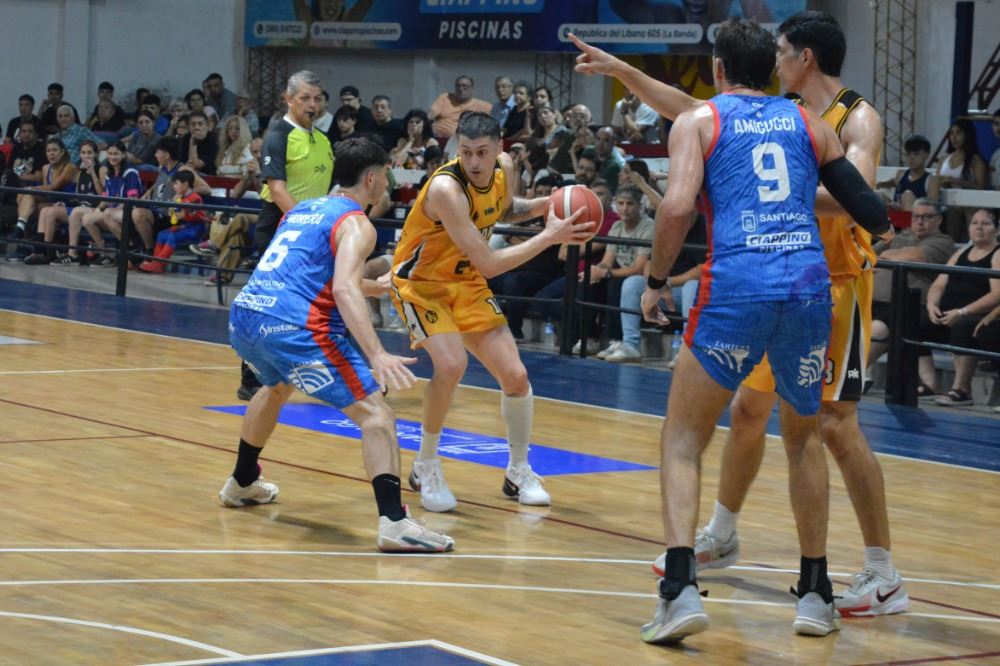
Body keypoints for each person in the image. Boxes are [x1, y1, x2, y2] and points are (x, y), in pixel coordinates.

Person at [570, 9, 910, 619]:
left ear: (805, 56)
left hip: (833, 282)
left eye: (783, 50)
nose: (776, 59)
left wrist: (753, 186)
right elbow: (697, 109)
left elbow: (853, 198)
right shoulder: (787, 112)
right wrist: (623, 71)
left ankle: (883, 571)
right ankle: (723, 533)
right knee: (749, 411)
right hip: (786, 280)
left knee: (833, 426)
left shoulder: (855, 117)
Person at [219, 137, 454, 553]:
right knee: (377, 415)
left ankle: (242, 481)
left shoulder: (304, 209)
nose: (387, 182)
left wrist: (374, 288)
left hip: (246, 316)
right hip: (295, 328)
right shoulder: (357, 223)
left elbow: (311, 276)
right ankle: (394, 523)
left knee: (275, 386)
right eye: (386, 175)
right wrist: (377, 354)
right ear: (371, 178)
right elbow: (343, 289)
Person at [389, 112, 594, 513]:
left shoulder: (505, 167)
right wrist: (549, 237)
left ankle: (518, 470)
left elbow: (505, 208)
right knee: (451, 365)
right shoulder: (446, 189)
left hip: (464, 282)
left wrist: (551, 205)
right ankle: (425, 465)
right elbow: (489, 263)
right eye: (466, 152)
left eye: (482, 152)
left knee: (516, 377)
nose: (474, 161)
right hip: (421, 284)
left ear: (500, 148)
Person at [238, 70, 334, 402]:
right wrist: (306, 227)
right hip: (282, 226)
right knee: (270, 303)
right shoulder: (278, 135)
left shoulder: (323, 140)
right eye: (305, 98)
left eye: (317, 98)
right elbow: (277, 190)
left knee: (319, 303)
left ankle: (331, 374)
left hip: (314, 229)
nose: (312, 104)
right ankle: (250, 378)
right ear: (288, 99)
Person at [868, 199, 955, 387]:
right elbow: (867, 255)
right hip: (873, 301)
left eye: (927, 217)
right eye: (916, 217)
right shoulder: (899, 237)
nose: (920, 221)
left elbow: (915, 257)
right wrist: (886, 257)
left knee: (884, 324)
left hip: (911, 306)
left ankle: (853, 374)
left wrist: (886, 256)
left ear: (939, 219)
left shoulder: (943, 241)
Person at [922, 209, 1000, 406]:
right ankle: (929, 382)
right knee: (914, 322)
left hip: (976, 314)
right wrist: (932, 305)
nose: (979, 227)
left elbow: (996, 294)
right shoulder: (961, 253)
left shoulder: (997, 254)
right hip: (950, 312)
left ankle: (962, 389)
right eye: (974, 222)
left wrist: (962, 312)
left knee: (963, 327)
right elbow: (939, 284)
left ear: (997, 230)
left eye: (985, 223)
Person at [24, 140, 102, 265]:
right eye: (83, 153)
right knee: (45, 211)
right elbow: (77, 196)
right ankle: (42, 252)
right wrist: (64, 202)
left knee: (52, 212)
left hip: (94, 209)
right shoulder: (80, 170)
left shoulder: (101, 169)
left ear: (96, 154)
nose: (86, 156)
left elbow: (102, 193)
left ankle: (51, 254)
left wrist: (92, 172)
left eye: (89, 153)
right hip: (78, 207)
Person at [136, 170, 208, 273]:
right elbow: (173, 214)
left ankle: (158, 263)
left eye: (176, 184)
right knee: (162, 234)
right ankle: (157, 264)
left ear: (185, 184)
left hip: (196, 229)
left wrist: (184, 215)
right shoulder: (179, 197)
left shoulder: (195, 198)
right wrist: (173, 206)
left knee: (172, 236)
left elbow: (196, 216)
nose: (174, 187)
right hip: (184, 227)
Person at [875, 134, 931, 211]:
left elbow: (932, 208)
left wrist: (901, 207)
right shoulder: (901, 174)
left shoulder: (930, 179)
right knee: (877, 194)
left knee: (907, 195)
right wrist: (878, 184)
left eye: (916, 154)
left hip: (915, 214)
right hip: (896, 212)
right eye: (908, 154)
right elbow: (892, 182)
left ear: (927, 155)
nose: (911, 158)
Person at [429, 75, 491, 142]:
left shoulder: (482, 106)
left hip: (463, 142)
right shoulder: (445, 97)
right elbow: (429, 116)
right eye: (458, 86)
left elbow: (496, 120)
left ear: (472, 88)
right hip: (437, 138)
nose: (461, 89)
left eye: (465, 86)